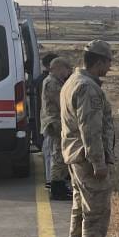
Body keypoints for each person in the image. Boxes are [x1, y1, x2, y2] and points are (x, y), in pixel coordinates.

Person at [60, 40, 119, 237]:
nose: (110, 68)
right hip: (87, 159)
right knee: (96, 211)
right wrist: (99, 162)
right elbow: (91, 129)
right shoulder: (88, 88)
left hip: (75, 156)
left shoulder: (72, 81)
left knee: (80, 208)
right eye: (108, 62)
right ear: (99, 62)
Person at [40, 57, 73, 201]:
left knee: (60, 155)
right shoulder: (52, 83)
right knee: (58, 156)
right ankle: (56, 188)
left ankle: (59, 185)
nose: (68, 72)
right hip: (55, 124)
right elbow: (63, 103)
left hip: (58, 123)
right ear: (59, 68)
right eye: (66, 69)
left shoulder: (55, 82)